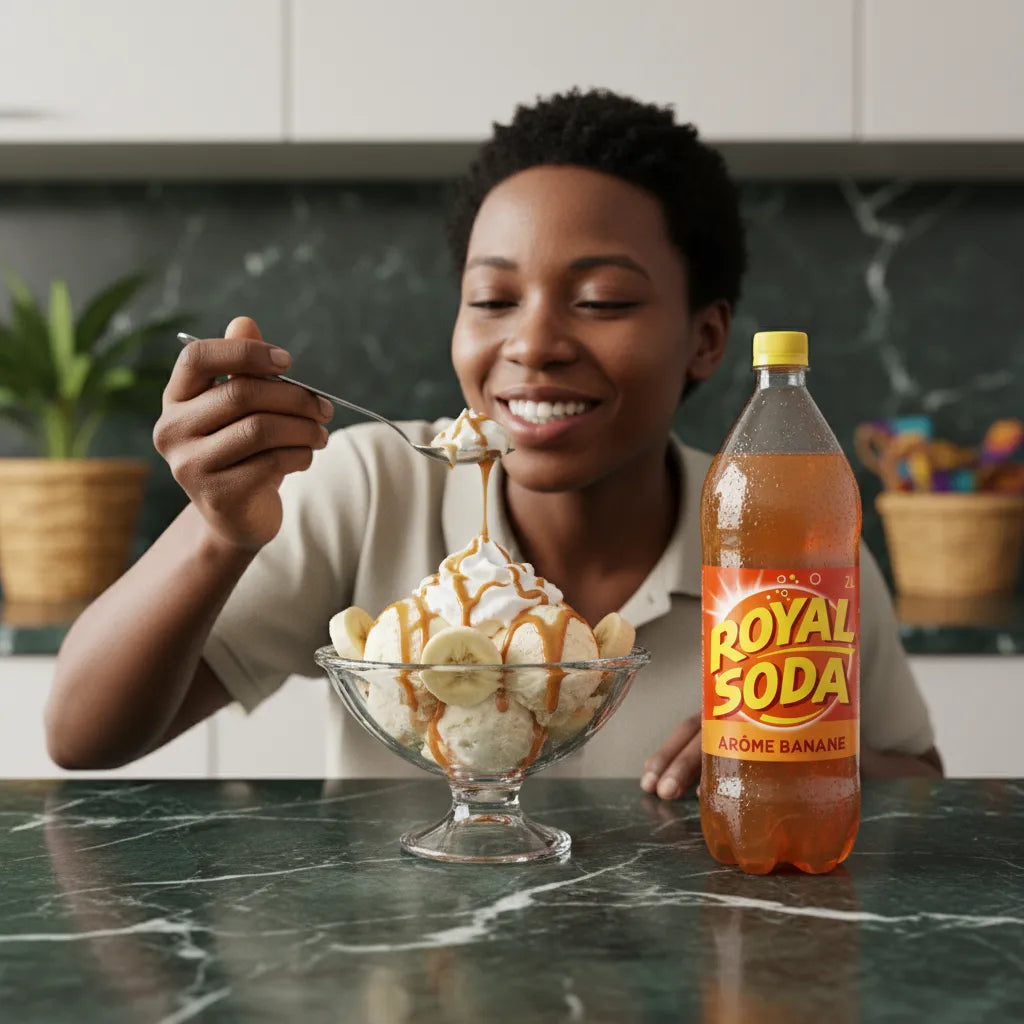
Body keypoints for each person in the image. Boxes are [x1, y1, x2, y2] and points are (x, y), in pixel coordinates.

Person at [46, 89, 942, 796]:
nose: (532, 343)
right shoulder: (369, 490)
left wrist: (805, 757)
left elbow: (920, 777)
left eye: (601, 301)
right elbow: (82, 736)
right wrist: (218, 533)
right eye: (492, 298)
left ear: (707, 339)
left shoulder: (783, 534)